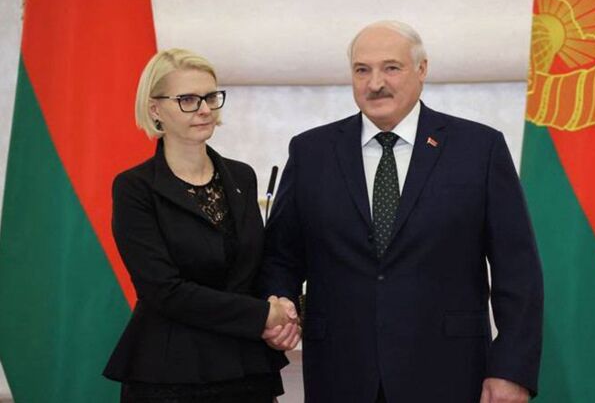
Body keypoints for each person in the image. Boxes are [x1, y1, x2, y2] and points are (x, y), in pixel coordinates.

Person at [260, 21, 543, 403]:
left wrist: (511, 369)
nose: (375, 83)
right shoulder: (311, 152)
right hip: (340, 373)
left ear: (422, 69)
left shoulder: (479, 148)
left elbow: (517, 268)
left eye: (391, 68)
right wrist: (281, 303)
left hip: (449, 373)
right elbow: (281, 256)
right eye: (362, 70)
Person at [103, 48, 300, 403]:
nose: (205, 109)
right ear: (155, 109)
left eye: (210, 97)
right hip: (171, 372)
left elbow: (255, 265)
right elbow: (163, 290)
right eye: (188, 100)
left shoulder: (241, 176)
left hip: (246, 367)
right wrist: (261, 315)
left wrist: (280, 308)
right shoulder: (135, 188)